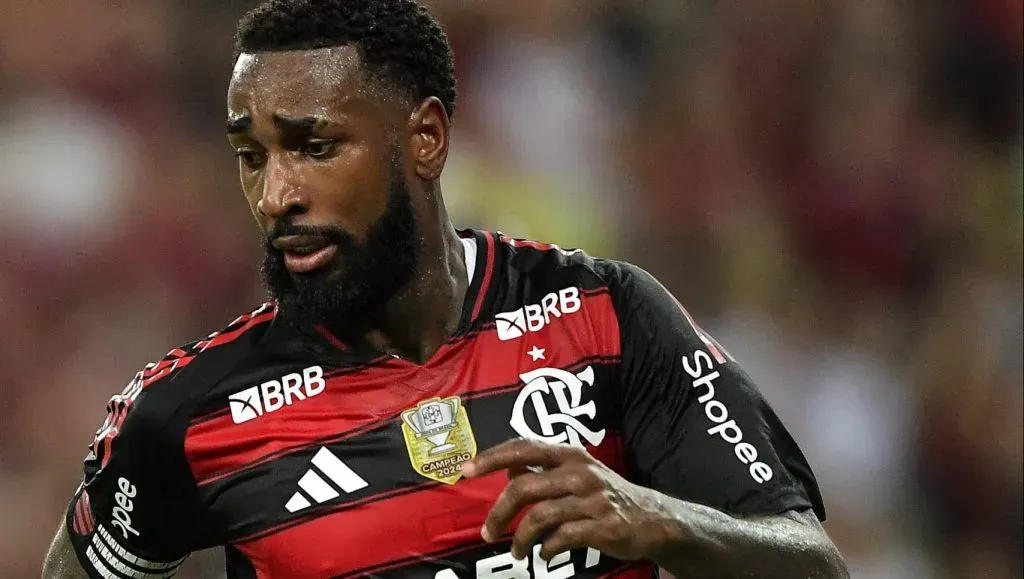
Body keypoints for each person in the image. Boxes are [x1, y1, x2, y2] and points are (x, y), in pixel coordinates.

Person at [42, 1, 848, 577]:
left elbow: (810, 561)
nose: (274, 194)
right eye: (253, 156)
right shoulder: (187, 416)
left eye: (315, 146)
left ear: (425, 139)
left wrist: (661, 520)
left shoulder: (607, 317)